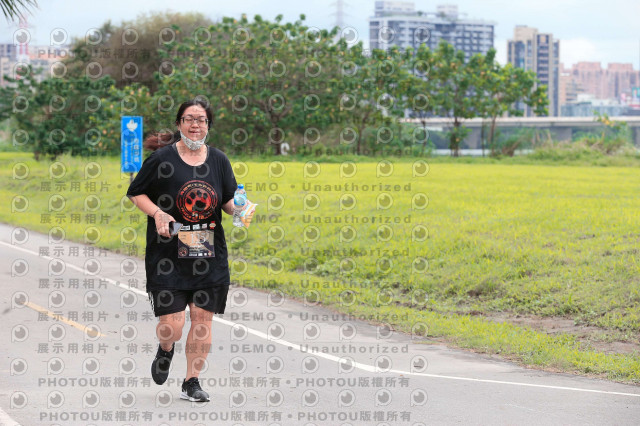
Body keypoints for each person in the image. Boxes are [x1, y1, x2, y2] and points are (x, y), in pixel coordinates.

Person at [126, 99, 237, 402]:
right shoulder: (162, 159)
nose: (195, 125)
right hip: (167, 254)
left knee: (202, 320)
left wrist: (240, 208)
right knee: (171, 327)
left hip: (208, 252)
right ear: (179, 124)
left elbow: (228, 201)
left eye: (201, 120)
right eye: (189, 119)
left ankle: (192, 381)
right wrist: (157, 213)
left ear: (208, 125)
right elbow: (136, 192)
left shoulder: (219, 160)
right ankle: (165, 349)